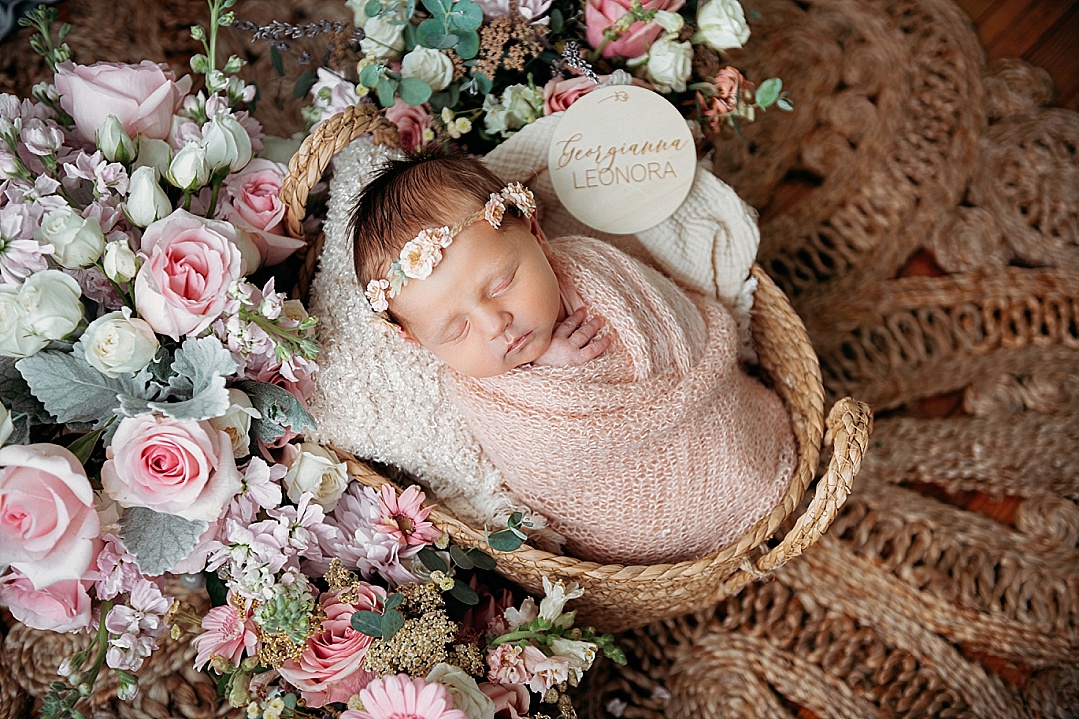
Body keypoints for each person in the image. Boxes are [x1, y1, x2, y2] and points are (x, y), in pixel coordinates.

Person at [349, 150, 795, 565]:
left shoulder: (589, 267)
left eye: (502, 284)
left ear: (537, 235)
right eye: (456, 330)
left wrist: (598, 357)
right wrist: (556, 375)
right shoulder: (480, 395)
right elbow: (543, 464)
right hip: (626, 516)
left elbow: (669, 324)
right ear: (417, 342)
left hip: (716, 420)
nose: (494, 324)